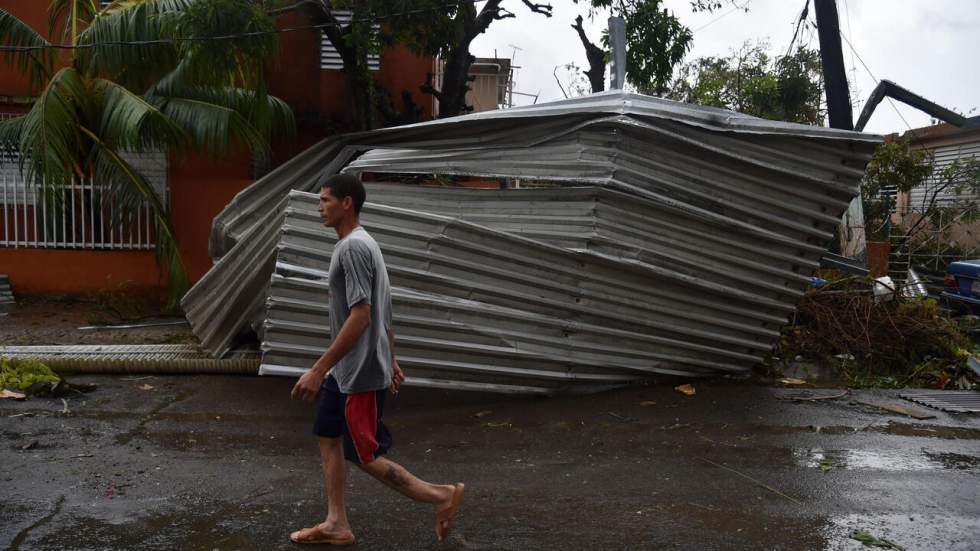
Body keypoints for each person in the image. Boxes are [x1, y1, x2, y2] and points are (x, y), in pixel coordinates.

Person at [289, 174, 465, 546]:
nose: (319, 207)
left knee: (364, 453)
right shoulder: (365, 243)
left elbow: (363, 315)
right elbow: (386, 312)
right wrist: (392, 359)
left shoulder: (353, 248)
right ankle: (336, 522)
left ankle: (442, 495)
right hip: (350, 369)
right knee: (328, 435)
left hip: (356, 373)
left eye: (324, 200)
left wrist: (318, 369)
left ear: (347, 202)